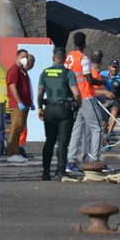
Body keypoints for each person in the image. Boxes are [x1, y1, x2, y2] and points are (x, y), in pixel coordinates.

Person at [65, 32, 111, 172]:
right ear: (84, 43)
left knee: (77, 129)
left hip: (74, 96)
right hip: (86, 95)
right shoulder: (83, 58)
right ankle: (95, 161)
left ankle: (71, 161)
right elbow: (89, 79)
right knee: (97, 127)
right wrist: (103, 81)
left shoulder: (69, 57)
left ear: (73, 42)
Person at [36, 48, 81, 179]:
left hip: (49, 110)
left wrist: (40, 108)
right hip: (64, 111)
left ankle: (45, 172)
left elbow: (40, 93)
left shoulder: (45, 73)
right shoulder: (68, 73)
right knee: (63, 142)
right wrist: (79, 103)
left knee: (49, 141)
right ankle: (61, 171)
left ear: (53, 58)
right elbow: (76, 93)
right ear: (65, 59)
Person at [5, 49, 34, 163]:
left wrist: (29, 102)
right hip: (17, 105)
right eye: (22, 56)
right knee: (16, 128)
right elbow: (13, 87)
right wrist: (19, 102)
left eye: (26, 57)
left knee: (20, 128)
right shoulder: (14, 70)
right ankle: (12, 153)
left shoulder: (22, 71)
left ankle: (16, 152)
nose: (25, 59)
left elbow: (25, 87)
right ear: (17, 56)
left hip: (24, 104)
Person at [100, 60, 120, 140]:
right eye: (113, 67)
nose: (114, 69)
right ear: (109, 67)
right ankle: (104, 132)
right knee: (103, 122)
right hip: (103, 100)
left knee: (115, 111)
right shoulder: (101, 74)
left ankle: (108, 134)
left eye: (116, 67)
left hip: (115, 101)